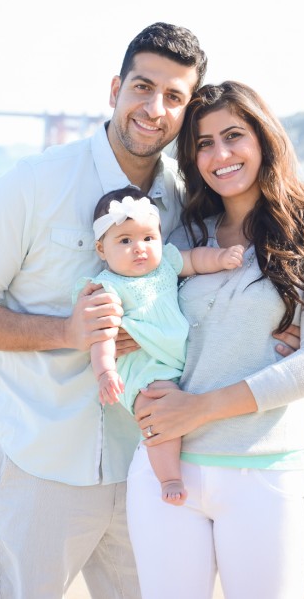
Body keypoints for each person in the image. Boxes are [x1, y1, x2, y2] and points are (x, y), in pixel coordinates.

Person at [0, 24, 299, 599]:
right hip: (40, 462)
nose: (154, 109)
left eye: (175, 97)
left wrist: (285, 322)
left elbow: (235, 268)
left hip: (152, 469)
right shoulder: (31, 185)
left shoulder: (191, 194)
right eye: (142, 87)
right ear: (115, 88)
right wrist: (67, 331)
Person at [125, 81, 304, 599]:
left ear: (264, 138)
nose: (220, 154)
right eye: (203, 144)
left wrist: (199, 409)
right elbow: (136, 317)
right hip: (164, 469)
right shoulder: (185, 237)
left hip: (264, 471)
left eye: (234, 136)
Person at [81, 187, 243, 506]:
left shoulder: (165, 264)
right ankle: (169, 477)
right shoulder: (109, 288)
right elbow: (101, 337)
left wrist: (222, 258)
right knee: (158, 413)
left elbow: (195, 259)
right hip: (148, 367)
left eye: (147, 238)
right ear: (102, 249)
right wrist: (105, 373)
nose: (139, 248)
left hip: (180, 357)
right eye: (125, 241)